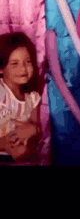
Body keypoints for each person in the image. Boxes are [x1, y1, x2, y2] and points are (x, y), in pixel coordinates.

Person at [0, 32, 44, 164]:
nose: (23, 68)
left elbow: (36, 129)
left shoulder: (32, 98)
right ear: (1, 68)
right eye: (14, 64)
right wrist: (3, 144)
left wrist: (32, 130)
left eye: (28, 62)